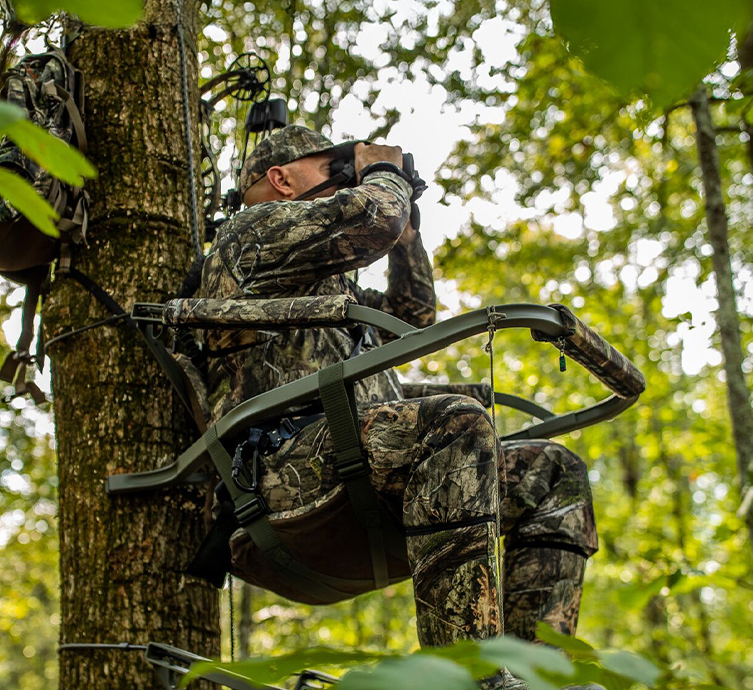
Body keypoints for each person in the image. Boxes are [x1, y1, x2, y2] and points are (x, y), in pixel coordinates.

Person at [194, 125, 598, 688]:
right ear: (281, 180)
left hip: (364, 469)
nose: (343, 179)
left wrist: (408, 235)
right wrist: (384, 174)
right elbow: (370, 219)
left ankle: (539, 673)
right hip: (282, 479)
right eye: (330, 168)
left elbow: (412, 314)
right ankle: (469, 676)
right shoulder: (248, 237)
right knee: (454, 423)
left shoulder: (328, 288)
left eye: (345, 172)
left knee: (554, 474)